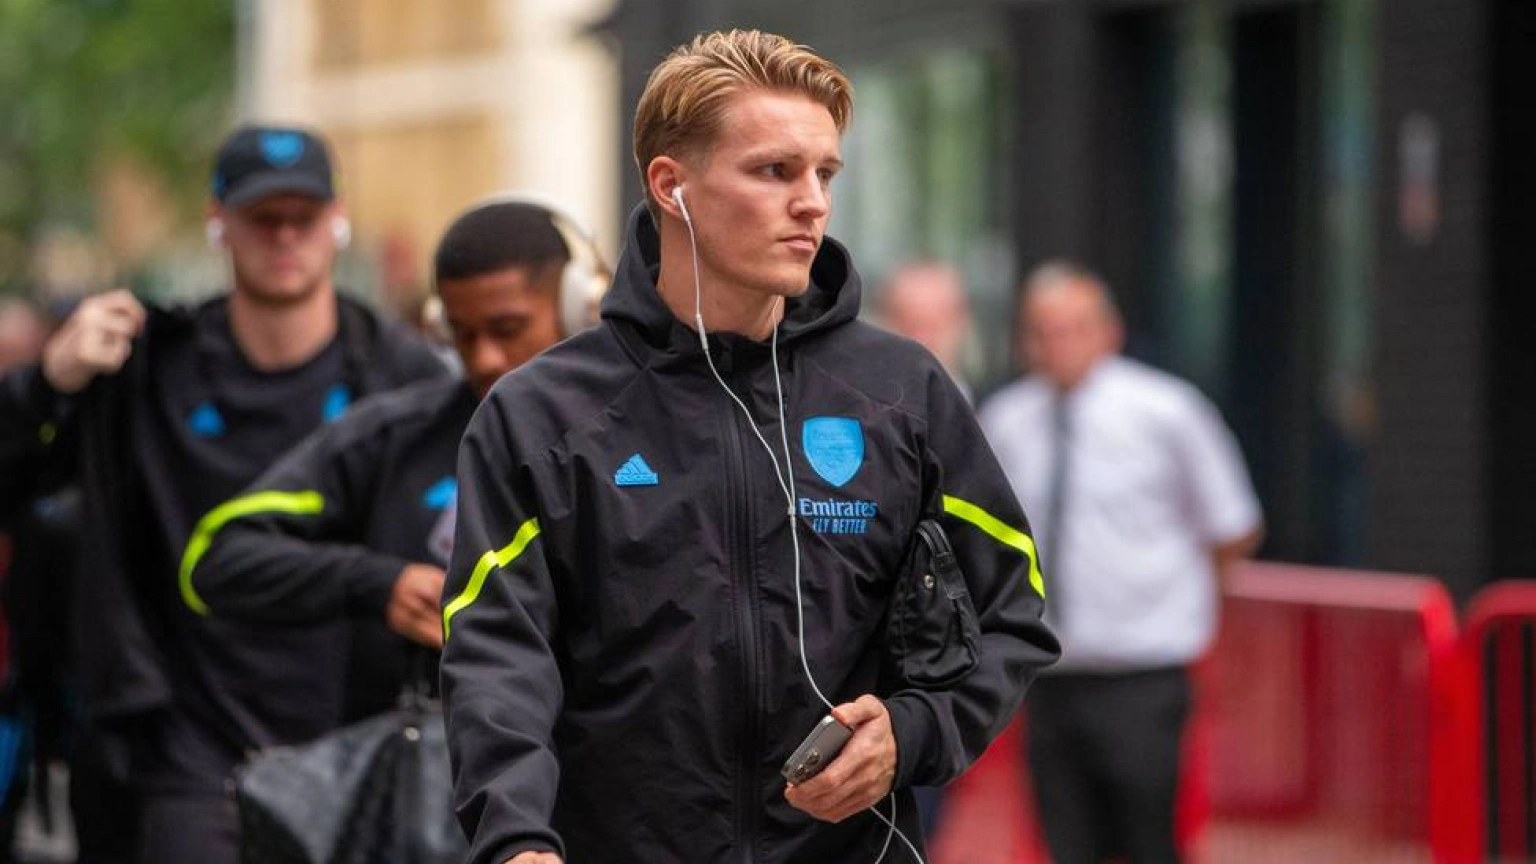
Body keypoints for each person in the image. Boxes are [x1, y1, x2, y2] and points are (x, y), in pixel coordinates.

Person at [440, 29, 1060, 864]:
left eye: (824, 174)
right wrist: (516, 840)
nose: (812, 203)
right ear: (672, 186)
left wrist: (914, 731)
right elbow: (495, 655)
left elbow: (1012, 608)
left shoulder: (901, 390)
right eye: (774, 171)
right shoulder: (540, 413)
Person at [0, 124, 447, 864]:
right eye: (262, 217)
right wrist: (49, 380)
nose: (284, 237)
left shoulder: (404, 379)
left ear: (337, 219)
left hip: (358, 743)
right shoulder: (150, 367)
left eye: (303, 216)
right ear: (219, 221)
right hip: (190, 751)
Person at [182, 197, 602, 720]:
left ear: (579, 309)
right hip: (428, 763)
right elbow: (216, 556)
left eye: (508, 329)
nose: (484, 358)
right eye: (462, 334)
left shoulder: (645, 435)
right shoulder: (395, 437)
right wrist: (379, 583)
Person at [978, 260, 1264, 864]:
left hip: (1143, 671)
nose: (1057, 344)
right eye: (1042, 331)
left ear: (1108, 331)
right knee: (1065, 842)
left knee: (1147, 837)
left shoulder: (1168, 412)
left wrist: (1186, 603)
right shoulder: (1005, 421)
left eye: (1072, 328)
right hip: (1048, 675)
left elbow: (1232, 525)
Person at [877, 262, 974, 402]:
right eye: (909, 325)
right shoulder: (858, 408)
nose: (922, 340)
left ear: (962, 321)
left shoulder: (997, 410)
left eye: (934, 325)